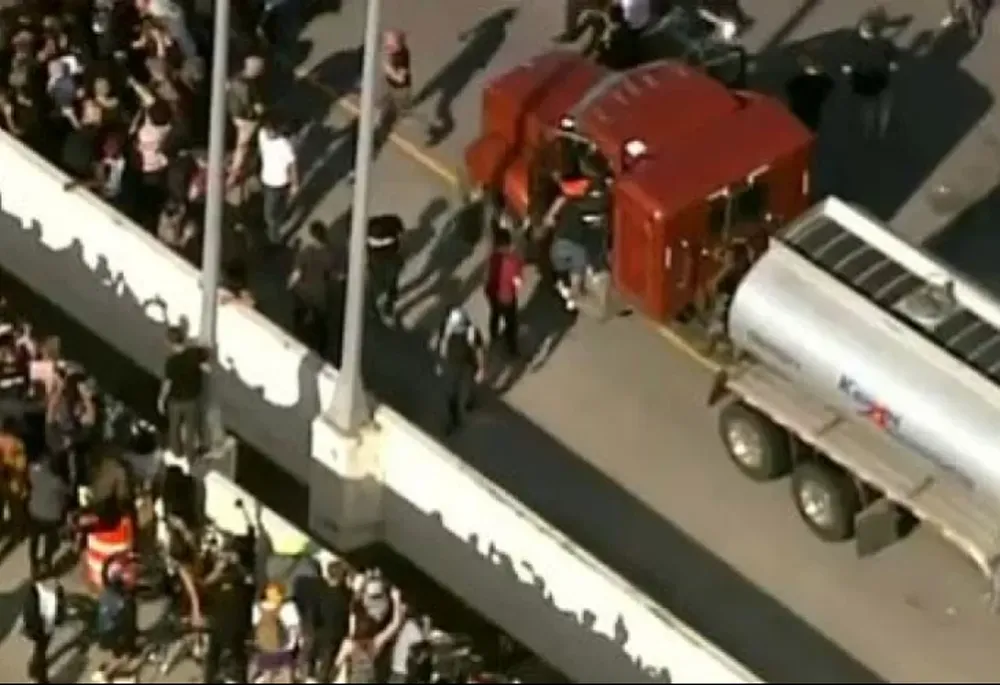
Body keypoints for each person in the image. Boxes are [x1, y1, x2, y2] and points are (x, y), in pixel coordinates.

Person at [203, 547, 255, 683]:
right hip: (219, 621)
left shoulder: (241, 573)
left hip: (237, 621)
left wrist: (237, 563)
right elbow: (204, 583)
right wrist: (218, 569)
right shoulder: (216, 576)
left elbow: (250, 580)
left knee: (238, 656)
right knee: (213, 656)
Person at [157, 324, 209, 460]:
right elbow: (207, 366)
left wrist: (161, 400)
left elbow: (167, 384)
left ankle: (176, 452)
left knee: (174, 428)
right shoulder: (194, 354)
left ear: (170, 343)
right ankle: (191, 456)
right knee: (191, 429)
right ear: (184, 339)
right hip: (191, 399)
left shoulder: (171, 362)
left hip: (175, 400)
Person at [333, 586, 405, 684]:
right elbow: (395, 624)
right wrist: (396, 600)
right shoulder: (373, 644)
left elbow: (335, 667)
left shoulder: (350, 644)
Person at [842, 19, 898, 141]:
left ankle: (868, 135)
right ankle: (881, 133)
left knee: (868, 110)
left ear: (864, 32)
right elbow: (893, 63)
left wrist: (848, 68)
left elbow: (850, 65)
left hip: (867, 84)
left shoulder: (858, 46)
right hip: (883, 81)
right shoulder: (885, 43)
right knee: (883, 109)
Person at [297, 560, 352, 683]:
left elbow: (312, 614)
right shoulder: (346, 596)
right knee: (326, 668)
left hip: (318, 634)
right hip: (334, 637)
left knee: (314, 665)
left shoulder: (320, 593)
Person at [435, 308, 486, 435]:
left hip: (468, 362)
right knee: (451, 393)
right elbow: (442, 344)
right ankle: (454, 419)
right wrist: (440, 362)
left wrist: (480, 368)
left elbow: (479, 351)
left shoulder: (472, 332)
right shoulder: (447, 328)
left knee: (471, 382)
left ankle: (470, 400)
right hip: (452, 363)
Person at [288, 220, 336, 353]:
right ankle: (321, 346)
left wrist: (289, 286)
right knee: (320, 322)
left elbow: (296, 274)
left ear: (313, 237)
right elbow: (332, 275)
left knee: (299, 317)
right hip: (320, 294)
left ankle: (298, 340)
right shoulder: (329, 254)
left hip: (303, 292)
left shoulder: (306, 252)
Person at [91, 561, 140, 683]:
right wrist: (129, 637)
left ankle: (116, 671)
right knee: (123, 657)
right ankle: (106, 675)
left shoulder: (106, 592)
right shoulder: (123, 600)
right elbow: (125, 622)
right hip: (113, 632)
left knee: (118, 653)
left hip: (104, 629)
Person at [257, 113, 299, 247]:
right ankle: (280, 218)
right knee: (276, 207)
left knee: (269, 215)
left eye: (273, 130)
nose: (270, 133)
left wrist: (295, 184)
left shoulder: (284, 145)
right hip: (266, 179)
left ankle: (274, 239)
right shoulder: (261, 134)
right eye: (268, 129)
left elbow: (293, 165)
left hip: (279, 182)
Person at [26, 455, 69, 577]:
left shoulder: (33, 470)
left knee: (34, 539)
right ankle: (47, 561)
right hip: (51, 516)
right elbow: (67, 492)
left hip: (34, 511)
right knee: (50, 540)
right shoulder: (57, 481)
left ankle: (33, 564)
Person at [22, 567, 66, 684]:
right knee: (40, 652)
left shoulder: (52, 589)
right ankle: (40, 677)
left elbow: (59, 603)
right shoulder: (34, 596)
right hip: (41, 630)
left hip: (47, 627)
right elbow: (31, 616)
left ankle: (34, 669)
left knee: (41, 649)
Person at [252, 581, 301, 683]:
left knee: (269, 674)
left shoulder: (258, 607)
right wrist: (292, 644)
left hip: (268, 646)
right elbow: (293, 628)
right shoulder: (287, 607)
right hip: (281, 646)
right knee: (285, 673)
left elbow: (255, 626)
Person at [484, 230, 524, 357]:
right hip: (507, 297)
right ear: (508, 243)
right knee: (511, 322)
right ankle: (512, 349)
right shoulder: (514, 261)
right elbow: (518, 282)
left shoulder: (493, 257)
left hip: (492, 293)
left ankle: (494, 335)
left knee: (495, 313)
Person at [367, 214, 405, 326]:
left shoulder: (369, 228)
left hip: (377, 262)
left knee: (377, 287)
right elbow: (401, 234)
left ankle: (376, 309)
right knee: (387, 285)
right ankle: (386, 307)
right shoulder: (393, 222)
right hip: (390, 260)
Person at [785, 52, 834, 133]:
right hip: (806, 112)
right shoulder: (820, 82)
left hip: (803, 112)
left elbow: (790, 87)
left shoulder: (799, 81)